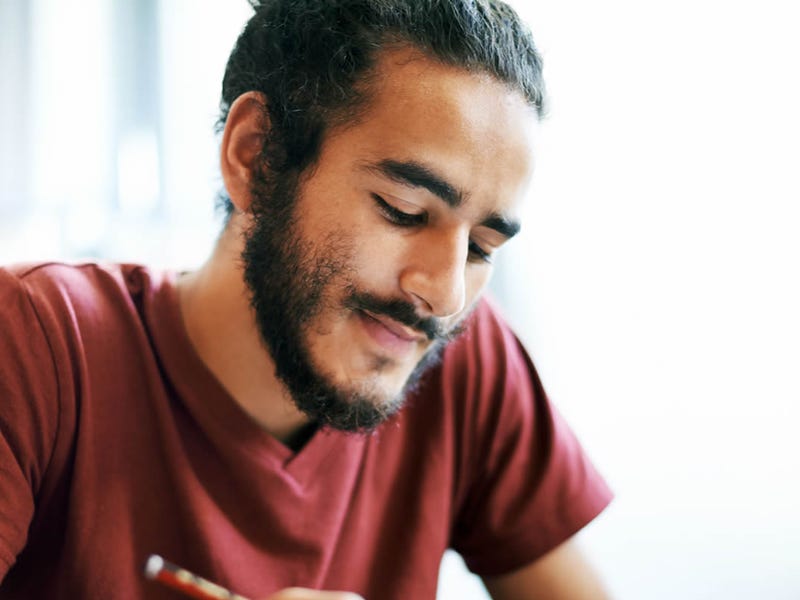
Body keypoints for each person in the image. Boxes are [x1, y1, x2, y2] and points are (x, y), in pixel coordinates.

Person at [0, 1, 613, 598]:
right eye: (403, 212)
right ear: (258, 158)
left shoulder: (464, 363)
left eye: (481, 249)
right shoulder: (34, 344)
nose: (446, 294)